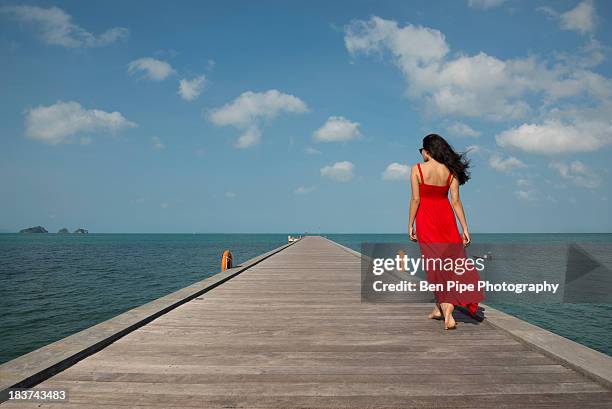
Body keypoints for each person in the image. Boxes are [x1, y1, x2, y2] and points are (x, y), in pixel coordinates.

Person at [408, 134, 484, 330]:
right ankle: (438, 310)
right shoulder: (451, 171)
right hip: (447, 221)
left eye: (422, 151)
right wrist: (465, 228)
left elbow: (415, 200)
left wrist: (410, 225)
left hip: (426, 221)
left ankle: (447, 312)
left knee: (434, 266)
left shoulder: (417, 169)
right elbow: (456, 201)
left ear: (427, 151)